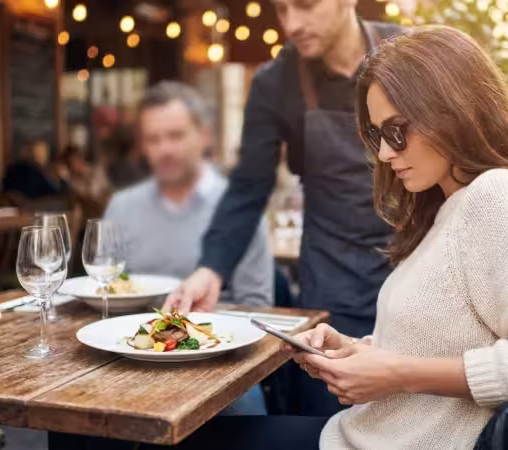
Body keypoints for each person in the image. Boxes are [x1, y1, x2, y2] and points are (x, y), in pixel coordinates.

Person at [74, 26, 508, 450]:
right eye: (375, 136)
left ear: (453, 107)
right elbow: (452, 336)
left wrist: (393, 373)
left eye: (397, 129)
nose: (386, 155)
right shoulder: (446, 208)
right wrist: (361, 351)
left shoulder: (499, 198)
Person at [163, 0, 402, 416]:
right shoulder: (276, 82)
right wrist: (211, 268)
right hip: (332, 285)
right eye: (282, 9)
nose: (292, 24)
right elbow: (247, 188)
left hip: (412, 274)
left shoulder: (407, 53)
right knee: (326, 424)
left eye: (305, 7)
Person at [101, 81, 273, 418]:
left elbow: (257, 306)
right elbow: (103, 292)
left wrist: (195, 338)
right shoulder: (122, 208)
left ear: (204, 136)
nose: (165, 149)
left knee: (245, 416)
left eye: (176, 135)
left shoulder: (239, 210)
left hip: (220, 364)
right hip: (131, 361)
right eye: (154, 139)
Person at [1, 139, 67, 201]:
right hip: (32, 208)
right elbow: (53, 193)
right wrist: (62, 180)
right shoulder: (29, 170)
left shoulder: (13, 169)